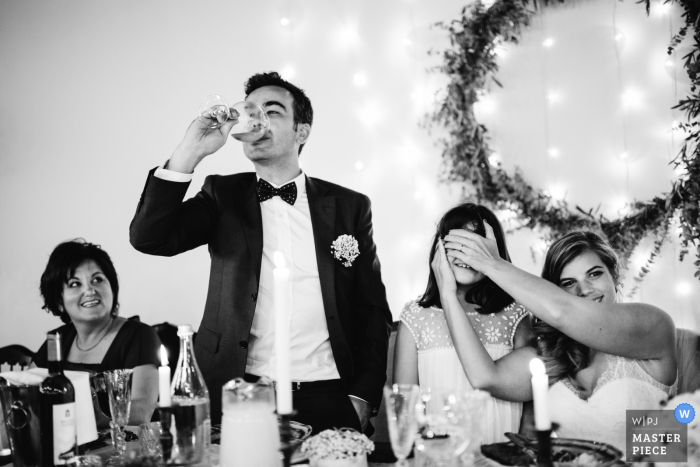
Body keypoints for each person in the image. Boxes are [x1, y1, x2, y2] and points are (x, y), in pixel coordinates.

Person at [129, 72, 392, 433]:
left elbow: (372, 309)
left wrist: (363, 396)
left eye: (273, 111)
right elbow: (149, 238)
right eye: (250, 110)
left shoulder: (350, 206)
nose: (256, 120)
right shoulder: (222, 195)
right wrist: (190, 152)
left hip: (329, 397)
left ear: (302, 131)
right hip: (239, 394)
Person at [436, 227, 677, 451]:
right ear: (555, 290)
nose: (584, 291)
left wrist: (491, 263)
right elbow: (485, 377)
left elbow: (562, 312)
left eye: (594, 274)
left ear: (614, 276)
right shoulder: (553, 354)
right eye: (568, 283)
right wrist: (448, 296)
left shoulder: (654, 325)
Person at [393, 203, 532, 444]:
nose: (466, 255)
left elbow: (532, 403)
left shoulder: (516, 315)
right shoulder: (416, 317)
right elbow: (405, 409)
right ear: (439, 248)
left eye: (476, 246)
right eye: (458, 244)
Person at [32, 240, 161, 428]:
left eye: (97, 279)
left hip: (119, 452)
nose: (90, 290)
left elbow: (141, 411)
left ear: (112, 287)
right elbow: (24, 390)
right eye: (75, 284)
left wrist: (73, 417)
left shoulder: (140, 335)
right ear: (59, 301)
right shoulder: (56, 340)